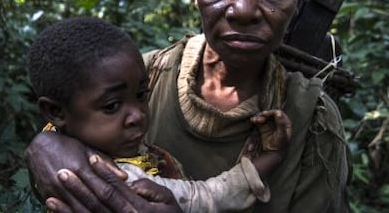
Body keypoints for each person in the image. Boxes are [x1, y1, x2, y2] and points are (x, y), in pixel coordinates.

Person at [25, 0, 350, 212]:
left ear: (297, 1)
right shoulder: (141, 76)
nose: (244, 10)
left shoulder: (312, 119)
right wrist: (45, 146)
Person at [27, 16, 292, 212]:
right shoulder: (123, 180)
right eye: (112, 106)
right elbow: (207, 198)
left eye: (141, 95)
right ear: (55, 112)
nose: (137, 115)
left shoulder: (63, 148)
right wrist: (270, 157)